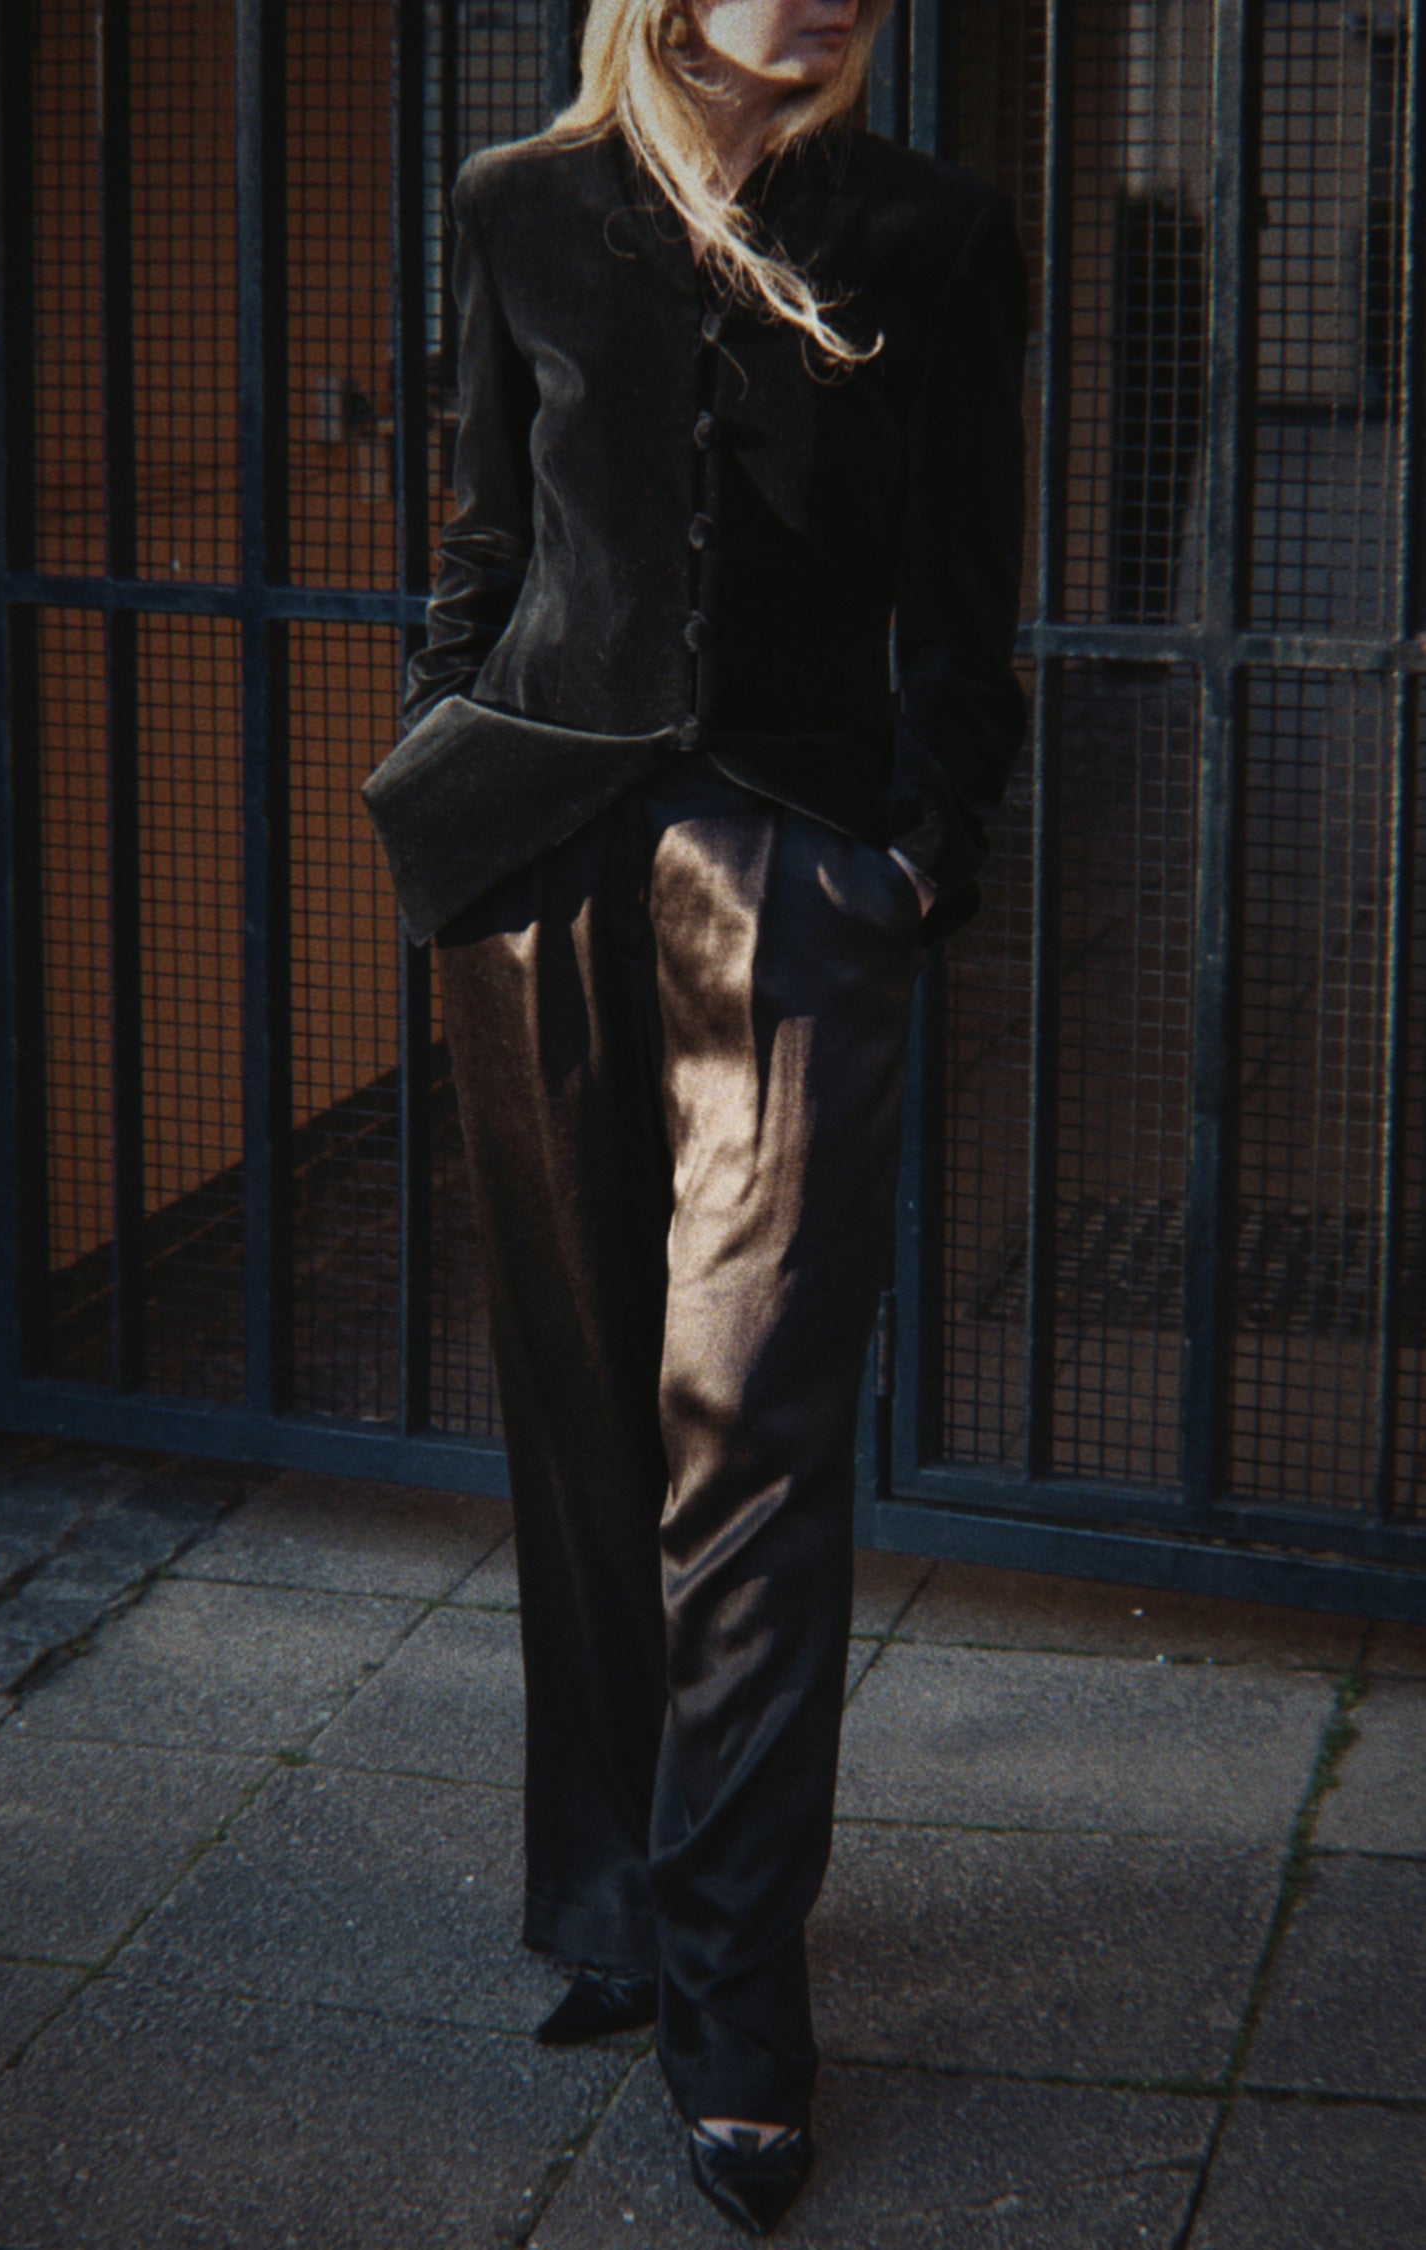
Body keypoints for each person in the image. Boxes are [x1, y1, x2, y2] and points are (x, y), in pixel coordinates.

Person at [396, 0, 1028, 2231]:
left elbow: (967, 592)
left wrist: (920, 847)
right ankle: (617, 1903)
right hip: (534, 869)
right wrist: (440, 779)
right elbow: (483, 540)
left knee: (745, 1423)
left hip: (798, 867)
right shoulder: (519, 207)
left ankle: (740, 1989)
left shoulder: (929, 230)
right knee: (582, 1407)